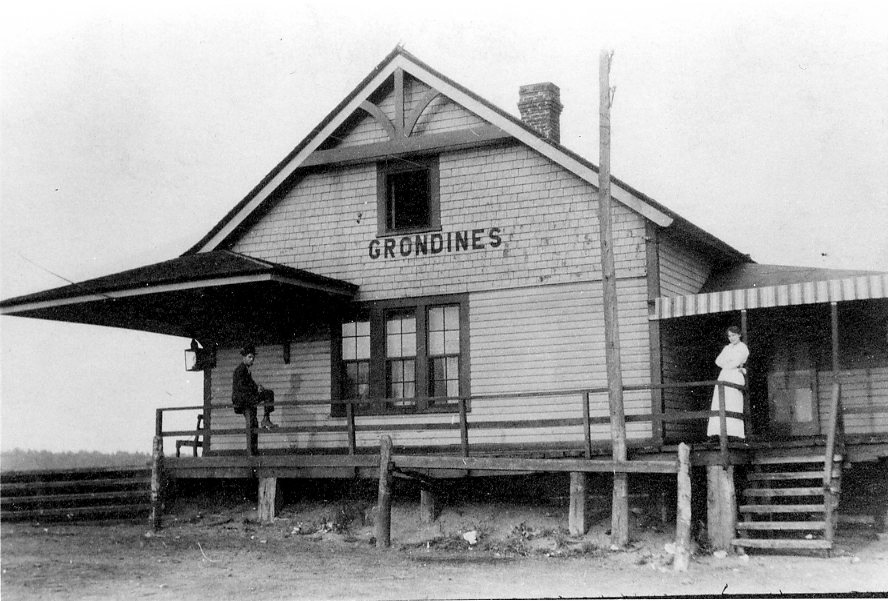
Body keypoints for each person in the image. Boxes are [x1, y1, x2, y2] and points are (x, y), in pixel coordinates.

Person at [232, 343, 277, 455]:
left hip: (248, 399)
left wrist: (258, 387)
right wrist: (255, 389)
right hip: (243, 400)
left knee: (253, 424)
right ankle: (265, 420)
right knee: (268, 394)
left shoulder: (246, 370)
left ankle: (254, 451)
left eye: (253, 357)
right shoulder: (240, 370)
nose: (252, 360)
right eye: (250, 357)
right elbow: (242, 387)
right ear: (244, 357)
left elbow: (250, 384)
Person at [706, 326, 749, 441]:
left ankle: (734, 433)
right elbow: (718, 361)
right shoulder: (727, 348)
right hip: (724, 375)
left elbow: (736, 362)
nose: (731, 338)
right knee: (720, 402)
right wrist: (728, 363)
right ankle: (718, 432)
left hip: (734, 376)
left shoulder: (743, 348)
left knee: (733, 402)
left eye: (734, 335)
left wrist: (729, 363)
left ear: (739, 335)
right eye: (729, 336)